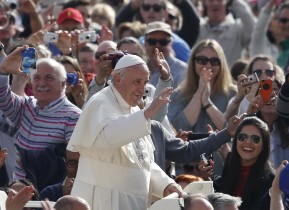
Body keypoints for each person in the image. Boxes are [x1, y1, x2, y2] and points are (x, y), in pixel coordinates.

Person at [67, 54, 183, 210]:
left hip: (133, 201)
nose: (142, 89)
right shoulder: (100, 102)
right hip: (103, 198)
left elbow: (142, 160)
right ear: (117, 79)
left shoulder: (134, 109)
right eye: (137, 82)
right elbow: (110, 137)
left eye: (145, 82)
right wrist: (146, 114)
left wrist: (165, 183)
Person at [0, 46, 81, 190]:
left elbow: (74, 165)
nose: (42, 83)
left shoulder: (73, 116)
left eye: (49, 78)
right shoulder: (27, 105)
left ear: (63, 83)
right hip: (19, 192)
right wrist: (3, 71)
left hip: (49, 197)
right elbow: (3, 98)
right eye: (36, 77)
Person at [168, 39, 237, 132]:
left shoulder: (232, 94)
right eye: (202, 60)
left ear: (221, 65)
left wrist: (207, 102)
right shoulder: (179, 94)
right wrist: (199, 94)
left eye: (215, 61)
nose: (208, 65)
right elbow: (176, 128)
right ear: (193, 62)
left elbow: (232, 130)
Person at [215, 116, 275, 210]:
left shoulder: (270, 179)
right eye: (242, 137)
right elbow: (222, 193)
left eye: (255, 139)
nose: (247, 142)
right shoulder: (230, 162)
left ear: (264, 145)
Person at [197, 0, 256, 68]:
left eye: (220, 0)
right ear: (205, 3)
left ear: (227, 3)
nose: (215, 3)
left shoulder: (237, 28)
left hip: (231, 77)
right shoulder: (199, 28)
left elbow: (254, 31)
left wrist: (235, 2)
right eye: (211, 0)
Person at [144, 21, 187, 89]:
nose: (157, 45)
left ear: (171, 44)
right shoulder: (139, 67)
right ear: (145, 43)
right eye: (152, 41)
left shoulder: (182, 71)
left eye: (163, 42)